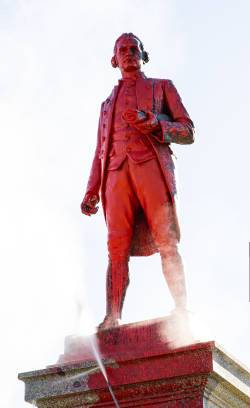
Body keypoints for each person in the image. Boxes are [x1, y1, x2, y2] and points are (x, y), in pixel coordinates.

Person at [81, 33, 194, 330]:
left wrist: (155, 123)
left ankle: (182, 310)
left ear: (144, 56)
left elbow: (188, 131)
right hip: (116, 177)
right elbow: (100, 150)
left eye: (134, 49)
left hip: (151, 170)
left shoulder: (162, 87)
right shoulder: (106, 105)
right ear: (114, 59)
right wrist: (92, 190)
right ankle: (112, 317)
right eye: (123, 50)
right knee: (115, 249)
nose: (129, 54)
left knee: (167, 241)